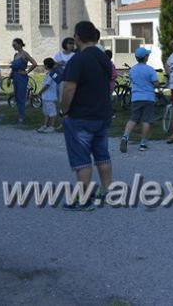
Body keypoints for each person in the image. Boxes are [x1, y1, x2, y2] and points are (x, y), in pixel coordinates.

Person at [60, 21, 114, 211]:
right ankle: (107, 192)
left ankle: (84, 199)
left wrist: (64, 111)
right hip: (103, 113)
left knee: (81, 157)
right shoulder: (103, 58)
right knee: (102, 154)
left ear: (77, 36)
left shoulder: (78, 59)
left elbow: (69, 88)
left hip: (82, 115)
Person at [120, 47, 160, 152]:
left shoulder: (133, 69)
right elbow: (156, 83)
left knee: (133, 119)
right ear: (145, 57)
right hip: (148, 97)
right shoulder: (150, 69)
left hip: (136, 97)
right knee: (147, 120)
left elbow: (132, 80)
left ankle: (125, 136)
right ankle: (143, 143)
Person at [9, 38, 38, 124]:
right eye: (13, 45)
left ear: (20, 44)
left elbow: (35, 63)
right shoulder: (15, 55)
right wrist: (9, 77)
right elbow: (13, 68)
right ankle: (20, 115)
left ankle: (22, 117)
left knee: (21, 97)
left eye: (14, 45)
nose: (13, 46)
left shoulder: (25, 54)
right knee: (17, 97)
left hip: (22, 78)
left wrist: (27, 71)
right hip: (15, 76)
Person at [37, 58, 60, 133]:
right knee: (46, 112)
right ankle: (45, 125)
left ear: (46, 65)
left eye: (44, 65)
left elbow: (47, 85)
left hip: (50, 97)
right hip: (46, 97)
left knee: (52, 112)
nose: (44, 66)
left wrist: (39, 92)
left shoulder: (52, 74)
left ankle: (52, 126)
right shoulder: (50, 73)